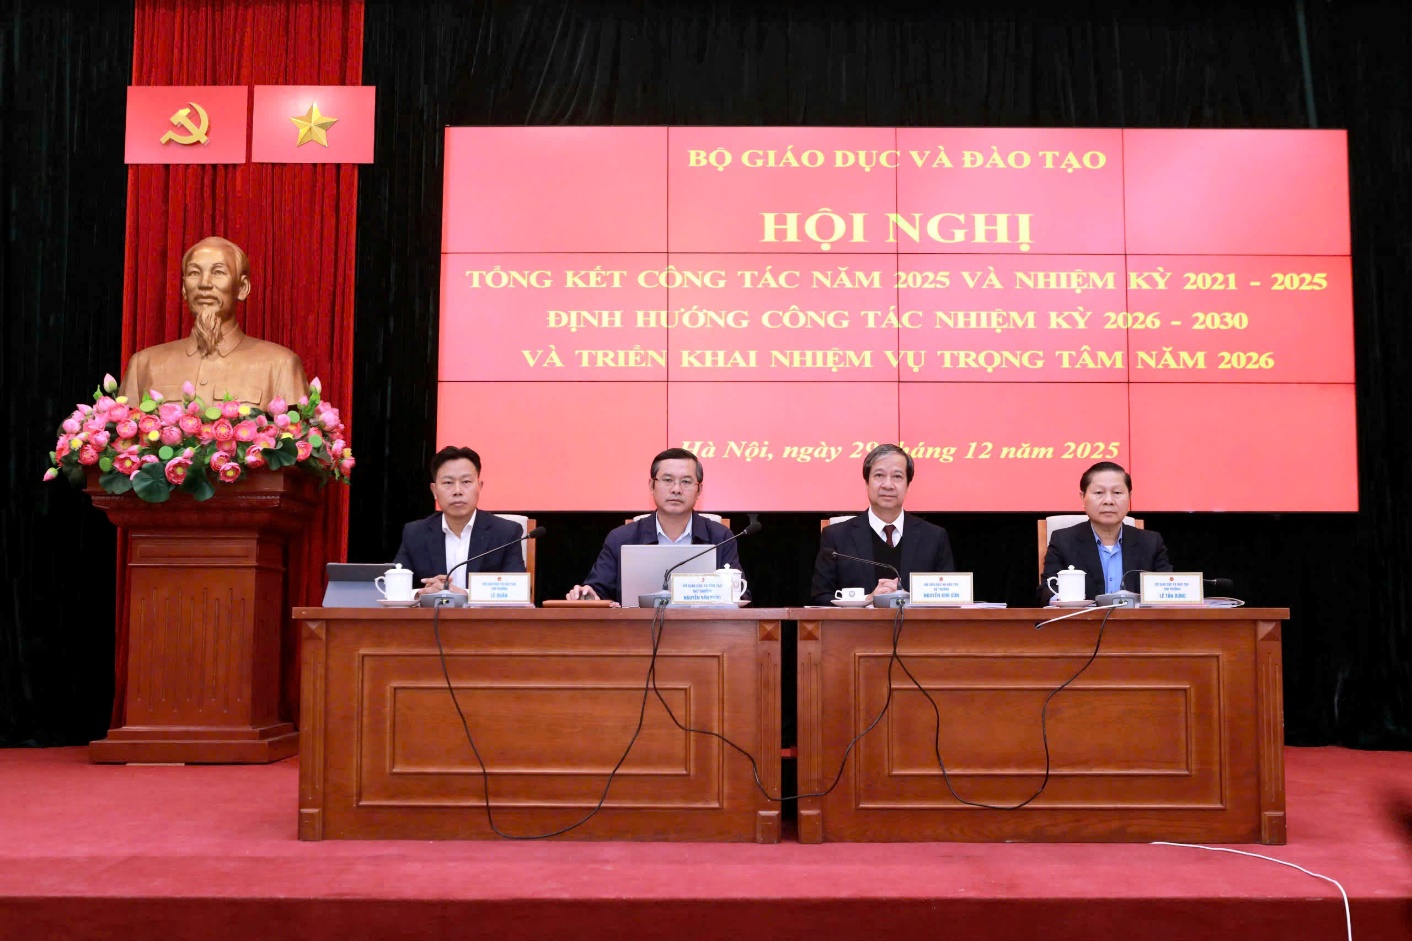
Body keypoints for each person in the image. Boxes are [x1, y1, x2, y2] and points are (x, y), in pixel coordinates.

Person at [119, 236, 308, 409]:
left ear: (242, 288)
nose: (204, 284)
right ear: (184, 288)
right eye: (194, 273)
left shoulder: (280, 365)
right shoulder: (144, 365)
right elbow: (122, 432)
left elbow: (295, 433)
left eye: (218, 272)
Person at [567, 447, 740, 604]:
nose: (676, 489)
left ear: (699, 490)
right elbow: (598, 592)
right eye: (667, 480)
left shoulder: (721, 538)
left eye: (686, 482)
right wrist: (589, 596)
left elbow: (740, 595)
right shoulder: (621, 538)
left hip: (701, 629)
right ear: (652, 485)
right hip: (636, 628)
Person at [810, 443, 955, 605]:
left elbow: (949, 598)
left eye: (897, 476)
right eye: (879, 475)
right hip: (856, 623)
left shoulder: (934, 537)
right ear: (867, 483)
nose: (888, 485)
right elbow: (820, 598)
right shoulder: (836, 537)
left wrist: (910, 600)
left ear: (908, 485)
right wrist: (867, 600)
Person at [394, 446, 526, 594]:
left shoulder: (506, 533)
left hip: (481, 610)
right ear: (434, 490)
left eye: (466, 482)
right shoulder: (415, 533)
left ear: (479, 487)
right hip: (431, 609)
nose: (457, 491)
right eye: (448, 483)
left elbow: (519, 592)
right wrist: (419, 594)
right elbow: (393, 587)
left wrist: (467, 596)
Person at [1038, 461, 1172, 603]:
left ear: (1129, 497)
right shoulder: (1063, 541)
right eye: (1099, 493)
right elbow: (1046, 590)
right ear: (1082, 497)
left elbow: (1168, 590)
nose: (1108, 500)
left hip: (1135, 618)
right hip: (1083, 617)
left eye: (1117, 493)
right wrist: (1064, 600)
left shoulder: (1151, 542)